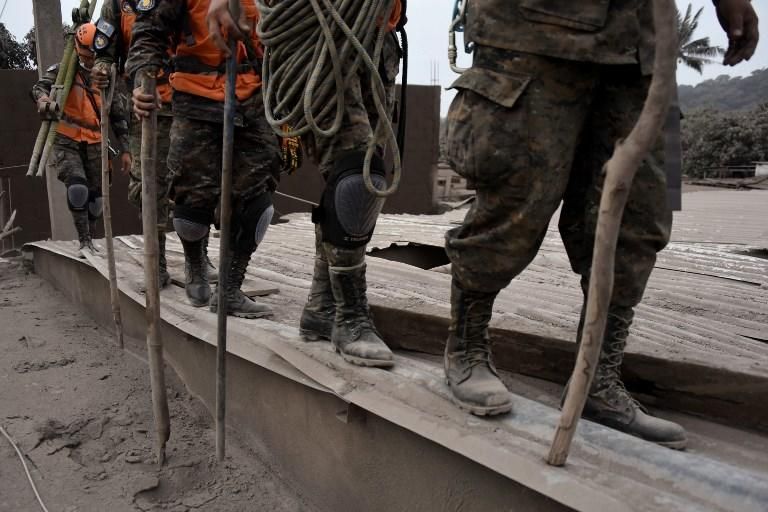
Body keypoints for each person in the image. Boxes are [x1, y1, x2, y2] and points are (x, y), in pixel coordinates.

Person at [442, 0, 758, 449]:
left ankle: (598, 378)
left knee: (643, 215)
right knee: (513, 201)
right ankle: (466, 347)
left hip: (644, 47)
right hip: (534, 31)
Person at [207, 0, 404, 367]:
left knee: (359, 176)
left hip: (378, 33)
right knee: (356, 175)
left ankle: (322, 306)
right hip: (315, 31)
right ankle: (350, 316)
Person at [126, 0, 282, 317]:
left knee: (257, 202)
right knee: (192, 202)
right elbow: (149, 30)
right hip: (196, 93)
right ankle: (196, 261)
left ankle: (230, 289)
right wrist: (144, 77)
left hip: (256, 96)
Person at [91, 0, 216, 288]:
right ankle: (155, 263)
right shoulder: (116, 5)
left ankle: (197, 262)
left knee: (195, 185)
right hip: (145, 107)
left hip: (193, 100)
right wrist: (101, 69)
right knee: (148, 188)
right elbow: (105, 55)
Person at [32, 22, 131, 255]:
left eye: (92, 54)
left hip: (96, 141)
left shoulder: (106, 74)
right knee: (78, 189)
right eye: (84, 54)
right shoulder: (63, 70)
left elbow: (118, 115)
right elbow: (39, 87)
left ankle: (91, 235)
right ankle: (84, 240)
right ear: (77, 47)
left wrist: (126, 150)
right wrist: (44, 100)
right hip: (67, 140)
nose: (88, 59)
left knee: (96, 199)